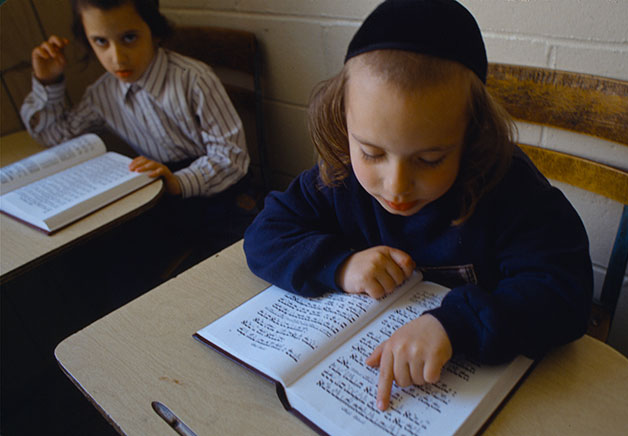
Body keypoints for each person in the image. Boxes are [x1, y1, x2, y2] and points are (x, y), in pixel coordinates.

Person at [244, 0, 592, 411]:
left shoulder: (510, 188)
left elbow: (564, 292)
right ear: (344, 121)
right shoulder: (339, 175)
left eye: (430, 160)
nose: (396, 186)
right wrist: (339, 265)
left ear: (473, 134)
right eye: (371, 152)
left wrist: (456, 326)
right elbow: (264, 234)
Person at [22, 0, 255, 266]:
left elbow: (232, 157)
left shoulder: (194, 79)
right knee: (111, 259)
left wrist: (177, 182)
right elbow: (56, 136)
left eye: (129, 38)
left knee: (233, 261)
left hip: (219, 190)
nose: (117, 57)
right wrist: (48, 83)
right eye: (100, 42)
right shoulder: (102, 93)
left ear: (154, 32)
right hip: (159, 192)